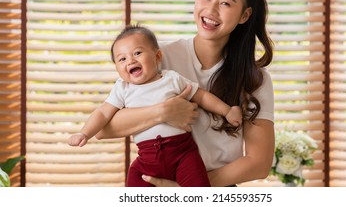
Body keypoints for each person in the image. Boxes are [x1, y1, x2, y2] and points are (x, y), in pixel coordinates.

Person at [96, 0, 275, 187]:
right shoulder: (158, 57)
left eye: (226, 3)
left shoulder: (255, 79)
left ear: (244, 15)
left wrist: (188, 188)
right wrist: (162, 111)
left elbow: (259, 163)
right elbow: (104, 128)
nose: (210, 11)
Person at [68, 24, 243, 187]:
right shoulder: (122, 89)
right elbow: (103, 114)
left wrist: (227, 111)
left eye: (137, 53)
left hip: (183, 154)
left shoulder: (171, 79)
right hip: (147, 159)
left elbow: (202, 96)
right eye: (121, 59)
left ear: (157, 56)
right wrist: (84, 132)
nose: (130, 61)